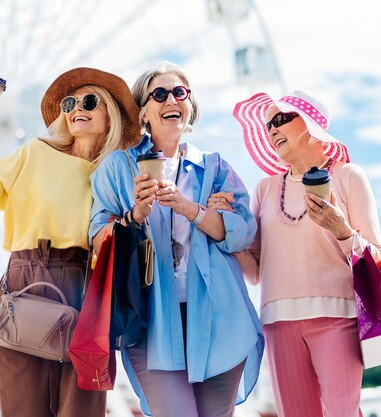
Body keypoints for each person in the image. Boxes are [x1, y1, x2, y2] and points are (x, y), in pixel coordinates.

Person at [0, 67, 139, 417]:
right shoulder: (35, 154)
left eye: (89, 101)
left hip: (90, 297)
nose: (76, 109)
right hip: (27, 286)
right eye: (70, 103)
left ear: (110, 115)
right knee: (24, 409)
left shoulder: (119, 174)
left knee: (83, 411)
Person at [89, 61, 264, 417]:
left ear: (190, 104)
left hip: (219, 319)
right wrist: (135, 214)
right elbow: (97, 238)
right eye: (160, 93)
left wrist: (190, 209)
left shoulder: (216, 168)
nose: (172, 99)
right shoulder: (118, 168)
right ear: (143, 112)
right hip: (149, 321)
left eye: (180, 92)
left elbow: (242, 232)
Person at [215, 90, 381, 417]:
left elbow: (376, 258)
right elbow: (254, 271)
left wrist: (341, 230)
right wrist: (227, 227)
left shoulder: (349, 176)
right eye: (269, 126)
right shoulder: (265, 189)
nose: (273, 130)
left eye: (281, 120)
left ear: (309, 123)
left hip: (337, 318)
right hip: (278, 325)